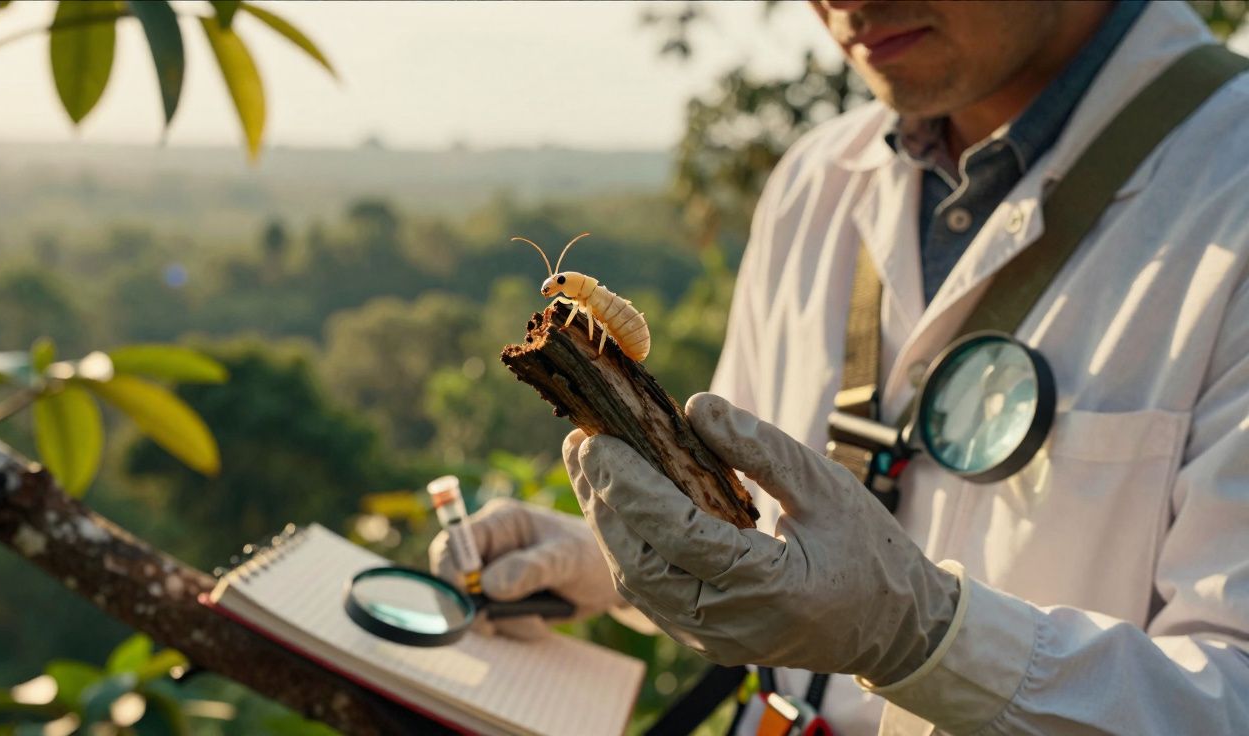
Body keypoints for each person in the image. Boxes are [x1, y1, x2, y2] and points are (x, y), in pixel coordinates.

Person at [432, 1, 1249, 733]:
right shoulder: (812, 185)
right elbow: (778, 557)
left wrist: (923, 635)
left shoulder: (1229, 188)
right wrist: (612, 570)